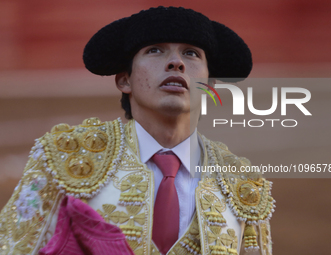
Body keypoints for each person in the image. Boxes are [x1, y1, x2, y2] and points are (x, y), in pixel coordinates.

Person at [0, 6, 275, 255]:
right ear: (124, 80)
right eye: (155, 50)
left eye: (191, 53)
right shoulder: (65, 158)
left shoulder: (242, 184)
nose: (176, 62)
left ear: (210, 87)